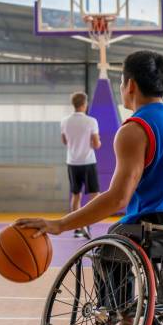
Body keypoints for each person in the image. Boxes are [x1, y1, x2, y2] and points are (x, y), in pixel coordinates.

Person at [15, 50, 163, 325]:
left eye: (121, 84)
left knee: (107, 247)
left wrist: (60, 223)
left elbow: (117, 198)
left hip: (149, 233)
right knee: (125, 237)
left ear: (130, 85)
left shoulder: (134, 130)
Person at [60, 92, 102, 239]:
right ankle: (87, 223)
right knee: (95, 195)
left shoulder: (65, 121)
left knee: (76, 195)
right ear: (84, 104)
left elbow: (64, 141)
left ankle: (78, 228)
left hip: (72, 162)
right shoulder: (91, 121)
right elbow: (96, 144)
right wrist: (96, 142)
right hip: (88, 162)